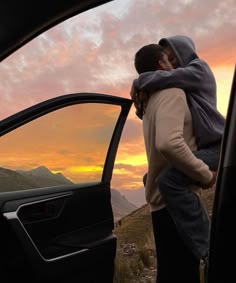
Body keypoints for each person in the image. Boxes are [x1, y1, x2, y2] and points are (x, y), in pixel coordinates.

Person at [131, 43, 219, 283]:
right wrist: (205, 174)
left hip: (159, 203)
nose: (174, 64)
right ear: (161, 65)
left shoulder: (149, 103)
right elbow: (169, 144)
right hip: (175, 205)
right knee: (183, 274)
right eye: (169, 60)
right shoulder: (172, 93)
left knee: (170, 273)